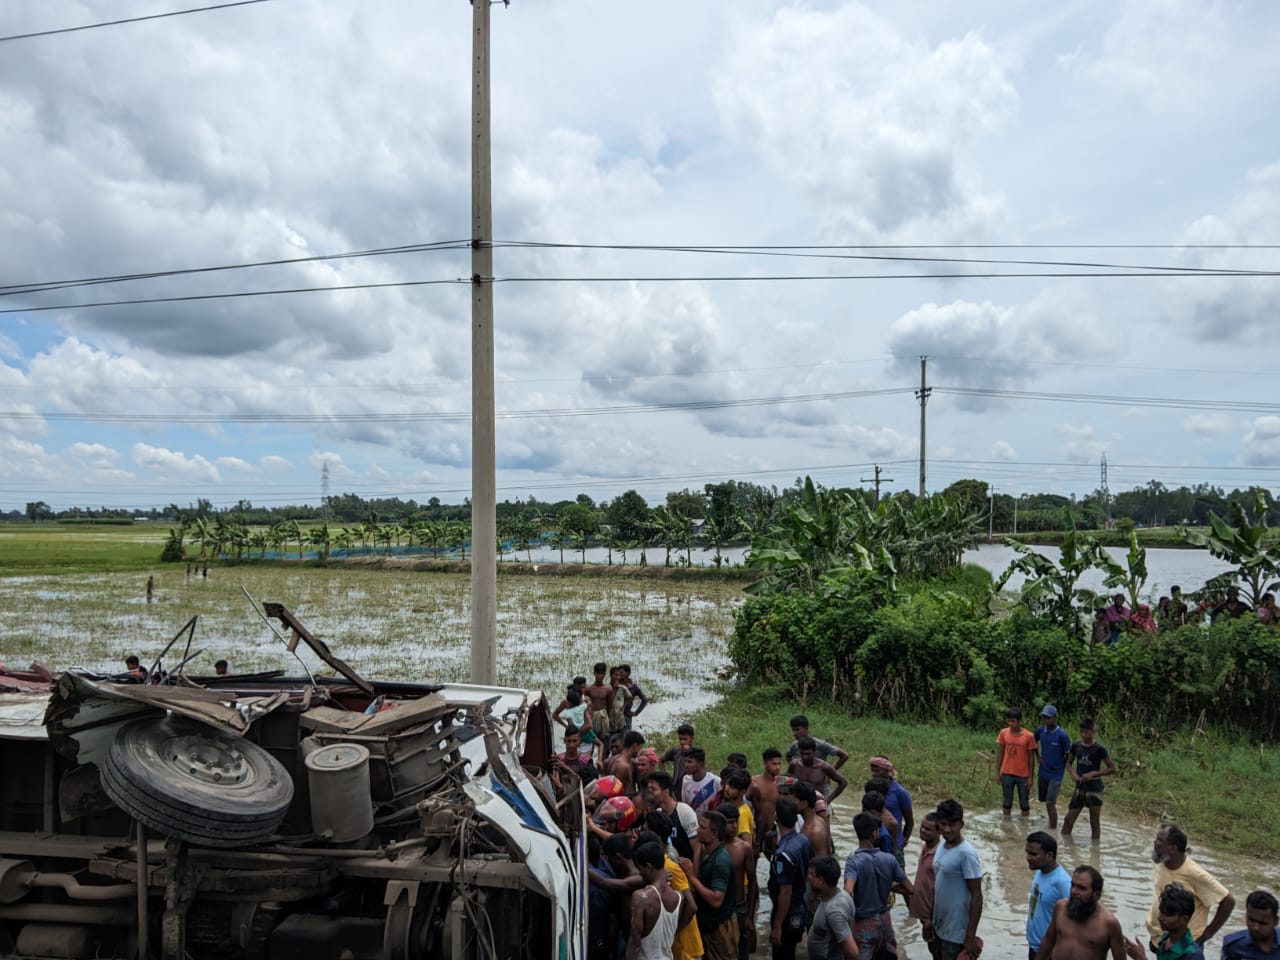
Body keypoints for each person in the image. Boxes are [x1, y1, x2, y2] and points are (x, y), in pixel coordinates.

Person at [1146, 825, 1235, 951]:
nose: (1155, 842)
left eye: (1160, 840)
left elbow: (1228, 901)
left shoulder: (1195, 874)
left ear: (1172, 849)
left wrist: (1206, 935)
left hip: (1184, 946)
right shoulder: (1160, 861)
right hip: (1160, 939)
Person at [843, 811, 913, 959]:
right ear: (875, 833)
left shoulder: (853, 862)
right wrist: (888, 885)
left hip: (863, 924)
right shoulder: (889, 859)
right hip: (884, 921)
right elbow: (910, 889)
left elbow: (848, 891)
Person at [642, 814, 705, 960]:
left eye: (645, 831)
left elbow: (692, 906)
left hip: (686, 946)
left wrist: (673, 931)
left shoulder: (669, 862)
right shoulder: (661, 859)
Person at [1034, 865, 1125, 960]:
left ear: (1096, 895)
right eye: (1073, 885)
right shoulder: (1060, 907)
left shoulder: (1109, 923)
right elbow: (1048, 941)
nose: (1074, 891)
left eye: (1081, 888)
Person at [681, 811, 738, 960]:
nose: (698, 830)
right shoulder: (708, 853)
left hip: (720, 929)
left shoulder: (720, 861)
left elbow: (716, 900)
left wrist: (691, 877)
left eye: (702, 828)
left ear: (714, 834)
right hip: (708, 925)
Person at [932, 799, 983, 960]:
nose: (947, 829)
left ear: (962, 824)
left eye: (952, 824)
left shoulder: (966, 854)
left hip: (956, 932)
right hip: (939, 925)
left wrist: (970, 935)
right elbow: (938, 885)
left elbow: (977, 895)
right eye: (943, 824)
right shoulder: (942, 845)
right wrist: (929, 919)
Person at [628, 841, 692, 960]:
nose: (639, 873)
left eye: (640, 868)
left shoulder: (640, 898)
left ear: (648, 867)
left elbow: (634, 942)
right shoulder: (679, 898)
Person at [768, 797, 812, 960]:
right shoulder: (803, 840)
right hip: (799, 908)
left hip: (786, 913)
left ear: (776, 818)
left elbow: (785, 892)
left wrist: (777, 925)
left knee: (782, 954)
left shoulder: (783, 854)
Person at [1061, 718, 1116, 839]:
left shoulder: (1099, 749)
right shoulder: (1076, 746)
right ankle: (1064, 845)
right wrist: (1073, 774)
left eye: (1087, 732)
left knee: (1094, 822)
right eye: (1082, 732)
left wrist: (1093, 773)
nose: (1084, 735)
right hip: (1080, 788)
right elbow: (1068, 763)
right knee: (1068, 820)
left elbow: (1112, 768)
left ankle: (1095, 853)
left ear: (1093, 731)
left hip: (1094, 789)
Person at [719, 805, 758, 960]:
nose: (734, 826)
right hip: (719, 909)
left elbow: (753, 882)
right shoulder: (710, 848)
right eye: (730, 822)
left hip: (739, 907)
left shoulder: (744, 848)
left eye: (736, 822)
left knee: (742, 953)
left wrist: (750, 916)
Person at [1025, 831, 1072, 959]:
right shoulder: (1040, 871)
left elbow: (1073, 923)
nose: (1028, 857)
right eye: (1027, 852)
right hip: (1035, 946)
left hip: (1049, 952)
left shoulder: (1063, 883)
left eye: (1033, 854)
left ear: (1049, 855)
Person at [1128, 883, 1203, 960]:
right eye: (1160, 911)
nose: (1160, 917)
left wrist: (1141, 958)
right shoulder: (1165, 939)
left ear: (1184, 919)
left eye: (1167, 914)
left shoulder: (1193, 955)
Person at [807, 855, 857, 960]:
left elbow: (852, 952)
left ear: (821, 880)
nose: (808, 877)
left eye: (812, 875)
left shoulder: (834, 910)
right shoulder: (841, 895)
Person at [644, 772, 700, 861]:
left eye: (653, 789)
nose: (649, 794)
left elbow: (697, 849)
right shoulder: (657, 814)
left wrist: (693, 874)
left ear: (666, 792)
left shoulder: (684, 812)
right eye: (649, 790)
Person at [910, 813, 942, 960]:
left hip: (933, 916)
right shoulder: (925, 847)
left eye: (928, 829)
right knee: (932, 948)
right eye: (922, 827)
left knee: (938, 950)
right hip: (925, 914)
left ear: (938, 832)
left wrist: (930, 919)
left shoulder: (939, 855)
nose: (922, 830)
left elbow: (939, 890)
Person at [1034, 706, 1072, 829]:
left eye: (1048, 718)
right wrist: (1038, 756)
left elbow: (1068, 754)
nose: (1046, 720)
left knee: (1051, 802)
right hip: (1043, 771)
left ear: (1055, 718)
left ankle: (1053, 829)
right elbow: (1032, 742)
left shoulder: (1062, 735)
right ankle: (1050, 823)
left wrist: (1065, 766)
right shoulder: (1040, 731)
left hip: (1056, 773)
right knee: (1044, 800)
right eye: (1044, 717)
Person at [870, 755, 914, 859]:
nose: (873, 774)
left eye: (877, 771)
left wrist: (903, 840)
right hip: (875, 843)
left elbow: (909, 821)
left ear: (887, 770)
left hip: (894, 844)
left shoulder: (900, 792)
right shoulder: (872, 788)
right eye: (872, 771)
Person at [997, 708, 1039, 817]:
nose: (1011, 724)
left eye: (1013, 721)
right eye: (1009, 721)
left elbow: (1031, 757)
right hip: (1007, 773)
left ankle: (1024, 827)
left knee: (1024, 804)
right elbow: (1000, 753)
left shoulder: (1029, 736)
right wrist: (997, 772)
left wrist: (1031, 777)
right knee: (1006, 803)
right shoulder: (1003, 733)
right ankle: (1006, 827)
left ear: (1020, 721)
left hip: (1023, 775)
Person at [789, 737, 848, 807]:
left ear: (814, 752)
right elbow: (787, 781)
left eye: (808, 754)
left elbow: (843, 783)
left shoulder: (823, 767)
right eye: (802, 754)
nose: (805, 757)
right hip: (798, 804)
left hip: (816, 804)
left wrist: (827, 801)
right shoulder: (794, 765)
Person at [1222, 890, 1280, 959]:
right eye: (1251, 920)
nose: (1255, 928)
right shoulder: (1234, 947)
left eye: (1262, 923)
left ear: (1276, 921)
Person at [746, 747, 784, 854]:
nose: (777, 767)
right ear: (765, 763)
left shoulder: (782, 785)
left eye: (779, 764)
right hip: (754, 830)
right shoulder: (754, 783)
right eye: (774, 764)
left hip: (773, 832)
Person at [785, 715, 849, 768]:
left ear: (806, 728)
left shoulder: (820, 744)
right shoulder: (795, 745)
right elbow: (788, 755)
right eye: (793, 730)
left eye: (797, 730)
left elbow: (844, 756)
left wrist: (830, 772)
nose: (794, 733)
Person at [794, 780, 833, 857]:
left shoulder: (813, 832)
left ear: (804, 803)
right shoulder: (819, 820)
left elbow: (822, 863)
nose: (791, 803)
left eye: (794, 800)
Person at [681, 748, 721, 813]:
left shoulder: (715, 781)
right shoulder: (686, 780)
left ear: (701, 764)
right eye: (685, 761)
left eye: (690, 762)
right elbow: (685, 805)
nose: (686, 765)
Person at [661, 724, 697, 796]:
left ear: (692, 738)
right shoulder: (676, 751)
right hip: (676, 790)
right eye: (680, 739)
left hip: (690, 790)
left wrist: (690, 753)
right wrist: (666, 777)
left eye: (685, 739)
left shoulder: (697, 753)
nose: (682, 742)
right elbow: (661, 760)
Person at [585, 663, 615, 747]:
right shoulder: (588, 689)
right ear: (594, 673)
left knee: (604, 740)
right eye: (598, 673)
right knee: (590, 740)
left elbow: (609, 706)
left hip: (603, 716)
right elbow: (584, 705)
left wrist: (610, 720)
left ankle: (602, 759)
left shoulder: (608, 689)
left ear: (605, 674)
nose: (600, 675)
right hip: (592, 716)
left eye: (602, 673)